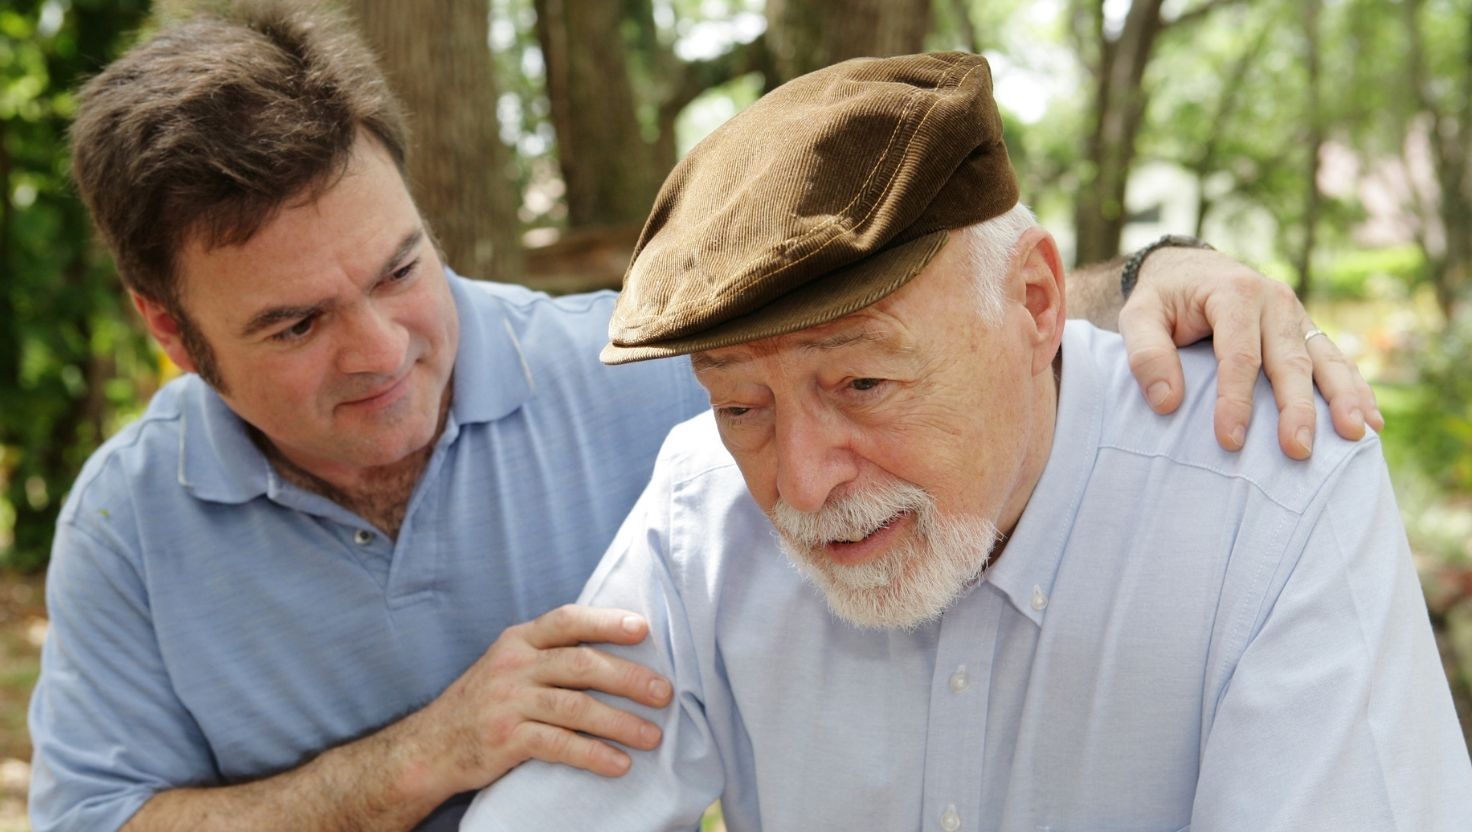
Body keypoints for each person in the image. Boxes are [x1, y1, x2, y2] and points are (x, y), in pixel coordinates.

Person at [29, 4, 1382, 831]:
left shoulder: (637, 384)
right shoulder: (129, 529)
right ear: (171, 329)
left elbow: (895, 317)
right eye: (295, 324)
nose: (384, 348)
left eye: (400, 270)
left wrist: (1161, 276)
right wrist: (407, 766)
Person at [462, 52, 1472, 830]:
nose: (801, 483)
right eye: (740, 406)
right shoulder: (697, 515)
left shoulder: (1265, 492)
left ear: (1033, 302)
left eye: (861, 381)